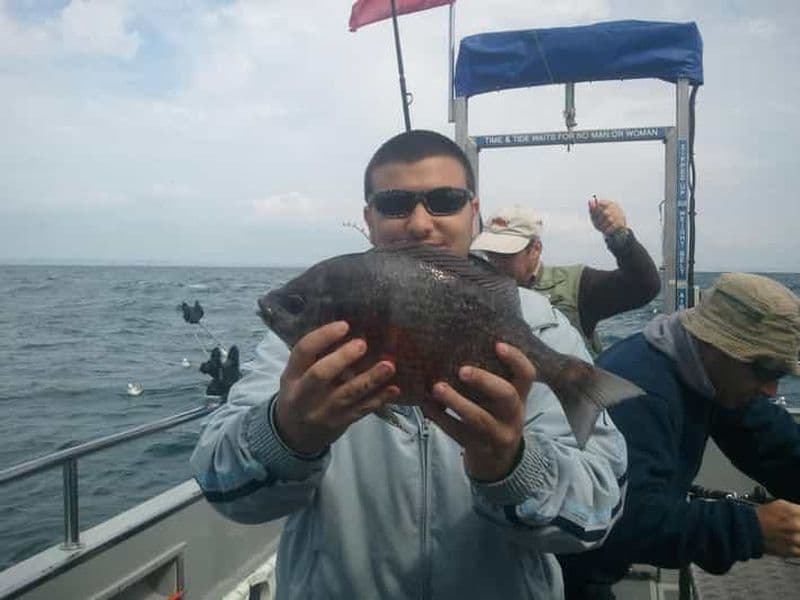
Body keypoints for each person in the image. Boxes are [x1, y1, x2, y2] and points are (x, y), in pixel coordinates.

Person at [190, 130, 628, 599]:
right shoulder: (304, 355)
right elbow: (218, 477)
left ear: (473, 212)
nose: (421, 223)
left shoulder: (540, 330)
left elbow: (598, 509)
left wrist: (512, 466)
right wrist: (286, 432)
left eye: (445, 200)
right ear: (368, 218)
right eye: (395, 203)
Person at [558, 273, 800, 600]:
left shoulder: (710, 374)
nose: (771, 390)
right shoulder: (638, 391)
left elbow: (771, 442)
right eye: (764, 371)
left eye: (779, 375)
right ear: (717, 344)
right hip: (564, 575)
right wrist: (753, 529)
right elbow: (625, 520)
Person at [471, 201, 660, 356]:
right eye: (491, 254)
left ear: (536, 249)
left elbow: (643, 285)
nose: (495, 263)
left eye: (506, 255)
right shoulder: (477, 293)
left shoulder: (576, 286)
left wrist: (618, 235)